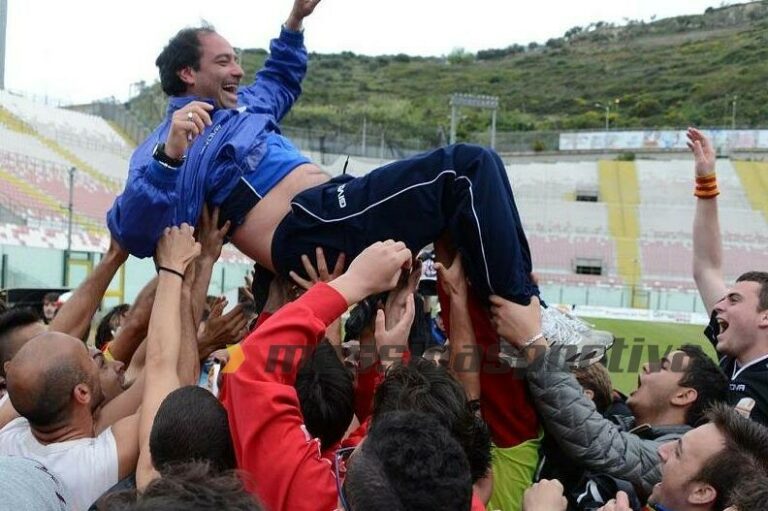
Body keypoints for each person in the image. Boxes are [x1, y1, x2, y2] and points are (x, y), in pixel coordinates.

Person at [106, 0, 609, 353]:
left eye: (238, 58)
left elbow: (278, 78)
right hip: (308, 228)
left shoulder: (241, 109)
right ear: (188, 75)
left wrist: (294, 21)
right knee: (467, 168)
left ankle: (524, 318)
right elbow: (131, 230)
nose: (238, 69)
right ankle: (524, 316)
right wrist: (170, 157)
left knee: (472, 187)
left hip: (329, 208)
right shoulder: (166, 143)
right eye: (224, 61)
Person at [489, 294, 729, 501]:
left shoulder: (672, 454)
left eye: (663, 366)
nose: (646, 366)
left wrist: (534, 343)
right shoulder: (627, 424)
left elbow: (597, 440)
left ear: (684, 395)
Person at [688, 127, 768, 424]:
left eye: (734, 300)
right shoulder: (729, 362)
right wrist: (705, 181)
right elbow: (706, 267)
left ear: (765, 316)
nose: (719, 305)